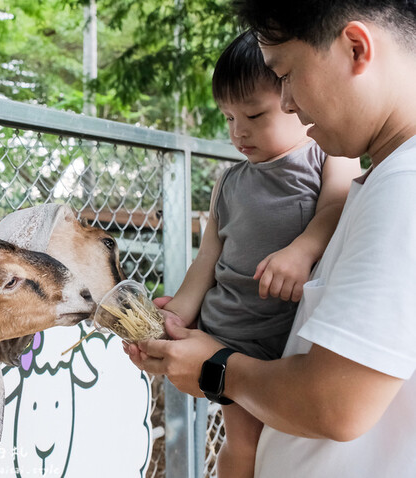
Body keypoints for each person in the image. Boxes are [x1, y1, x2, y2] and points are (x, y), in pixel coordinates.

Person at [125, 1, 416, 476]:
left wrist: (217, 368)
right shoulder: (382, 180)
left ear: (356, 48)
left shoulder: (404, 187)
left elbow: (335, 406)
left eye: (286, 74)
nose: (287, 103)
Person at [151, 30, 359, 478]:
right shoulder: (229, 183)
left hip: (294, 337)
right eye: (228, 117)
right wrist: (177, 317)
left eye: (254, 114)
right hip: (231, 335)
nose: (238, 131)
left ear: (293, 99)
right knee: (243, 444)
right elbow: (207, 261)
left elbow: (338, 206)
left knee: (291, 443)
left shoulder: (325, 155)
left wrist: (301, 251)